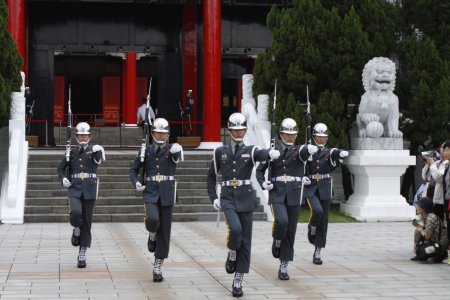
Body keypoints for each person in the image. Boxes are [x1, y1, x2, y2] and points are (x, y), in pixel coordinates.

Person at [206, 112, 280, 297]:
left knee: (246, 241)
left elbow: (261, 154)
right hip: (228, 198)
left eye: (241, 130)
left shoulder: (251, 150)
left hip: (246, 198)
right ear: (229, 130)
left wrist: (270, 154)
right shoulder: (219, 152)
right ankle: (232, 251)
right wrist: (213, 197)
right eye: (235, 130)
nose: (238, 133)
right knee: (236, 230)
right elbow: (211, 177)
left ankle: (238, 279)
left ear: (246, 130)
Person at [256, 118, 318, 280]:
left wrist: (310, 149)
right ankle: (276, 239)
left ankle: (284, 266)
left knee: (290, 231)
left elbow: (304, 152)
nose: (290, 137)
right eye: (287, 134)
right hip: (277, 193)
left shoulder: (299, 151)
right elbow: (259, 171)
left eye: (293, 134)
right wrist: (264, 183)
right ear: (281, 134)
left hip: (294, 194)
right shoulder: (272, 150)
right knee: (282, 221)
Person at [129, 118, 183, 282]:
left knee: (165, 231)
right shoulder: (146, 150)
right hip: (151, 191)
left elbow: (178, 157)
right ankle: (152, 234)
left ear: (168, 134)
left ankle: (158, 265)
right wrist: (137, 182)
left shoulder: (172, 149)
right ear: (152, 134)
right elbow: (133, 170)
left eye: (164, 133)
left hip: (167, 192)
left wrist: (178, 149)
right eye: (158, 133)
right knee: (152, 220)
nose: (161, 136)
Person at [57, 122, 106, 268]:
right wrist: (63, 178)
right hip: (75, 188)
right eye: (80, 135)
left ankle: (82, 253)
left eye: (85, 135)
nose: (83, 137)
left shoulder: (94, 150)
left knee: (87, 222)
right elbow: (60, 169)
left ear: (89, 136)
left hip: (89, 188)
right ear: (76, 136)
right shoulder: (70, 152)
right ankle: (76, 228)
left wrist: (100, 150)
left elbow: (99, 159)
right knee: (76, 213)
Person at [302, 123, 348, 265]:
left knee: (324, 220)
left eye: (324, 137)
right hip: (311, 188)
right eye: (319, 137)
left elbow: (335, 152)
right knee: (316, 210)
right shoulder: (308, 150)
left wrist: (341, 153)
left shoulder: (329, 151)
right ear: (314, 137)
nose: (321, 139)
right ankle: (312, 226)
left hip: (325, 187)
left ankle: (318, 251)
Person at [411, 197, 449, 262]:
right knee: (417, 230)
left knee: (418, 231)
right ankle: (419, 252)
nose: (416, 207)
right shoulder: (427, 216)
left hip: (439, 244)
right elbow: (429, 229)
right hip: (435, 241)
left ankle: (439, 254)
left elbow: (427, 236)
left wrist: (420, 229)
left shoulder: (430, 218)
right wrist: (418, 225)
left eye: (418, 206)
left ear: (423, 208)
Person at [422, 141, 450, 221]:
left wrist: (432, 163)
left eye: (445, 149)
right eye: (442, 148)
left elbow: (439, 178)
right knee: (431, 221)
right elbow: (425, 177)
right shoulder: (437, 162)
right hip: (431, 196)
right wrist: (428, 163)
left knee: (439, 222)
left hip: (440, 199)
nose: (441, 150)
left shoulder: (446, 164)